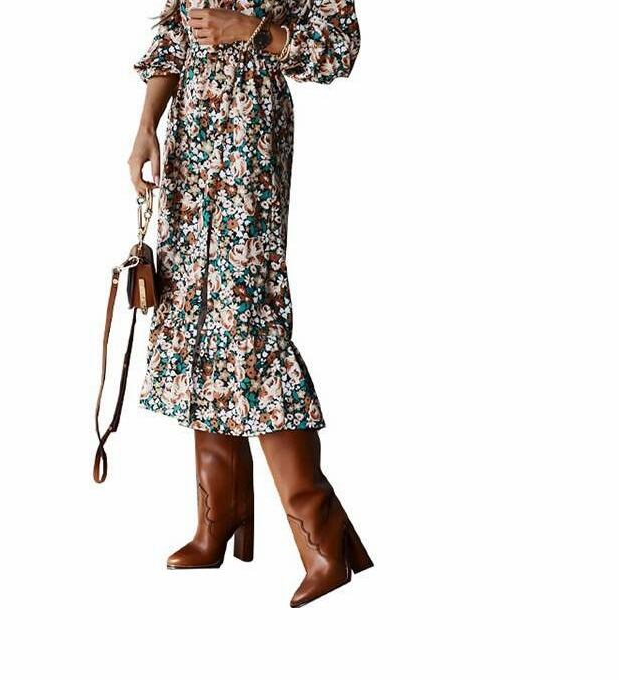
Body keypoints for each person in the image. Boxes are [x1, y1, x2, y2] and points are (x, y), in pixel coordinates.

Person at [128, 0, 371, 608]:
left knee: (249, 324)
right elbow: (171, 40)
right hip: (191, 144)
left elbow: (337, 50)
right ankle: (219, 516)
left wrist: (254, 31)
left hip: (251, 144)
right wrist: (146, 125)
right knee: (193, 314)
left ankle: (323, 543)